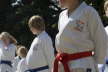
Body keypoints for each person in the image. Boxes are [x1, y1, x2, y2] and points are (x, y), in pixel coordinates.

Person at [53, 0, 107, 72]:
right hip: (64, 63)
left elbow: (101, 39)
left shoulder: (88, 12)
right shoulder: (62, 15)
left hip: (83, 64)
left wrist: (99, 62)